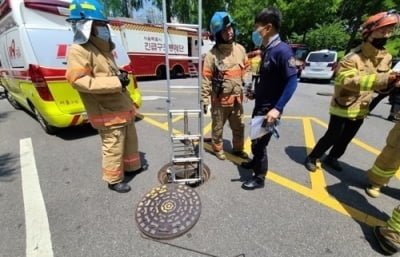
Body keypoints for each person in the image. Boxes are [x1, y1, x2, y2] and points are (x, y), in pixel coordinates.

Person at [304, 10, 400, 172]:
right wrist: (385, 80)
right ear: (369, 33)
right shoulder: (352, 58)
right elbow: (347, 81)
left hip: (362, 107)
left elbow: (381, 84)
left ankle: (333, 157)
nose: (386, 35)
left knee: (347, 138)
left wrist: (392, 83)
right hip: (343, 105)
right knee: (333, 135)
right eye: (382, 31)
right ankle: (313, 156)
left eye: (389, 32)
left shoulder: (386, 57)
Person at [65, 0, 142, 193]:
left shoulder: (103, 49)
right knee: (113, 146)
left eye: (104, 24)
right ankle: (114, 179)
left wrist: (120, 75)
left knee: (130, 141)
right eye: (101, 25)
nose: (105, 28)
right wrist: (117, 82)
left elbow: (105, 73)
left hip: (121, 108)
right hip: (106, 113)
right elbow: (78, 80)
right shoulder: (79, 50)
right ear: (87, 26)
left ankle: (132, 167)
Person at [240, 7, 298, 190]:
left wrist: (277, 108)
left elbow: (292, 82)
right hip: (261, 104)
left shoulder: (283, 51)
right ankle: (254, 163)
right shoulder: (268, 50)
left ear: (268, 27)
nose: (255, 31)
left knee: (260, 144)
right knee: (256, 139)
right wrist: (255, 93)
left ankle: (259, 177)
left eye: (257, 26)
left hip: (270, 109)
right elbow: (270, 81)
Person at [201, 11, 251, 160]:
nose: (229, 32)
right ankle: (217, 149)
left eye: (230, 28)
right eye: (224, 30)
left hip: (237, 100)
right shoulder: (212, 55)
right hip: (219, 102)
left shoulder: (240, 49)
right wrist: (205, 100)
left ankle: (238, 149)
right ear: (217, 34)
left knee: (239, 127)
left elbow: (246, 69)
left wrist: (247, 83)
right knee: (217, 128)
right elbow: (206, 79)